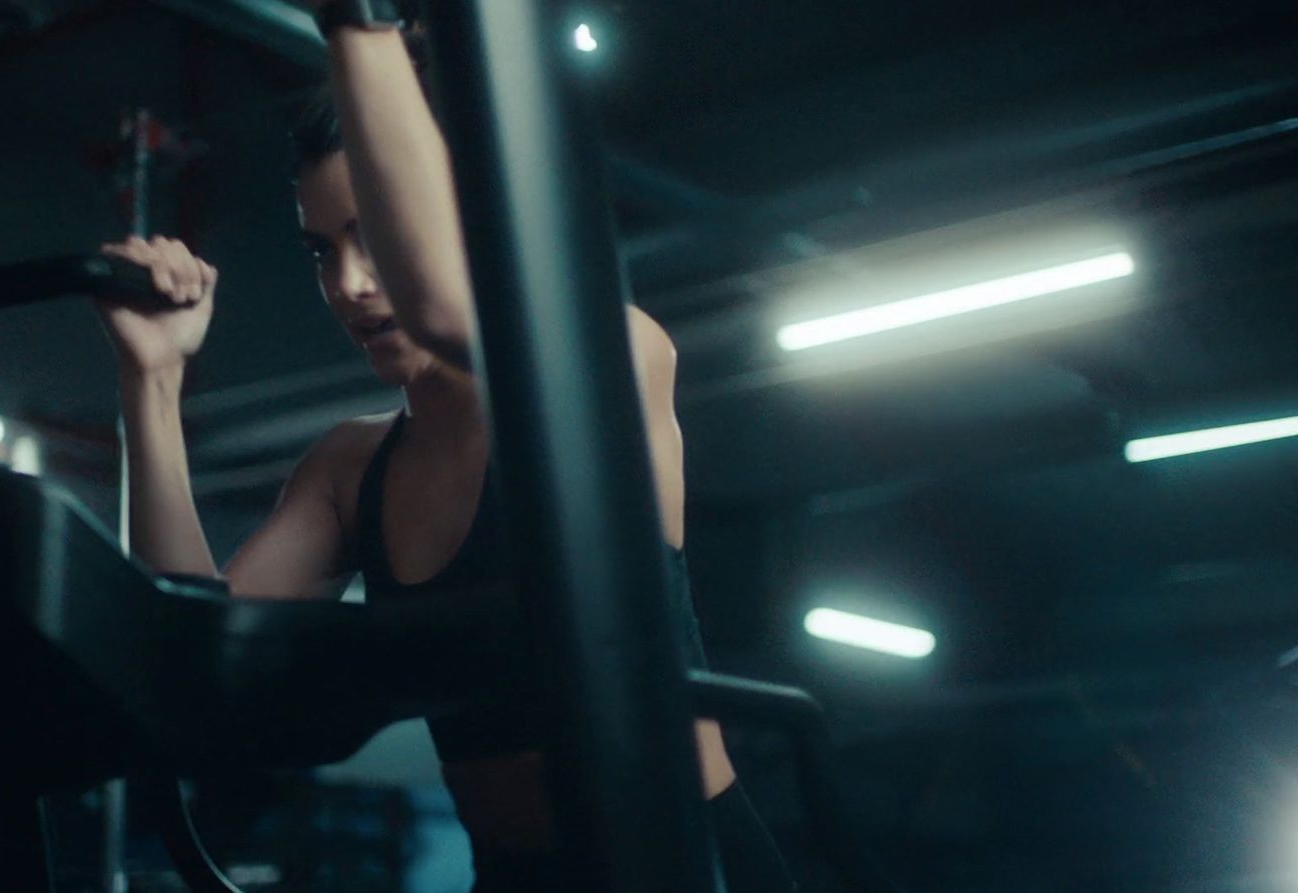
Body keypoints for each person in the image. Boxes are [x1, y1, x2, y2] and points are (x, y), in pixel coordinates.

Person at [96, 3, 794, 890]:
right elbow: (189, 660)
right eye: (321, 252)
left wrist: (359, 23)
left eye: (374, 239)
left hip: (679, 863)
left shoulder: (610, 353)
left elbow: (454, 309)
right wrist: (150, 380)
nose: (349, 285)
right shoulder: (351, 470)